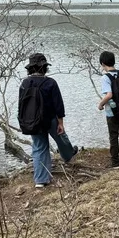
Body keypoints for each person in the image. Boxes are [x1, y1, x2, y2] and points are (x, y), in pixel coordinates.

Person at [18, 53, 78, 188]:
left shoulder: (25, 83)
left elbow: (21, 104)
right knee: (61, 138)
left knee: (39, 147)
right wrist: (61, 122)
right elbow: (58, 104)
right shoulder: (50, 82)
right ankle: (68, 156)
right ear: (44, 67)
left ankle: (40, 180)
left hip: (33, 121)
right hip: (50, 119)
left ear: (30, 68)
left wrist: (22, 121)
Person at [98, 51, 119, 169]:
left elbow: (109, 95)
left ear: (102, 64)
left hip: (112, 112)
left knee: (113, 135)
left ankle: (115, 162)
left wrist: (100, 104)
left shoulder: (105, 78)